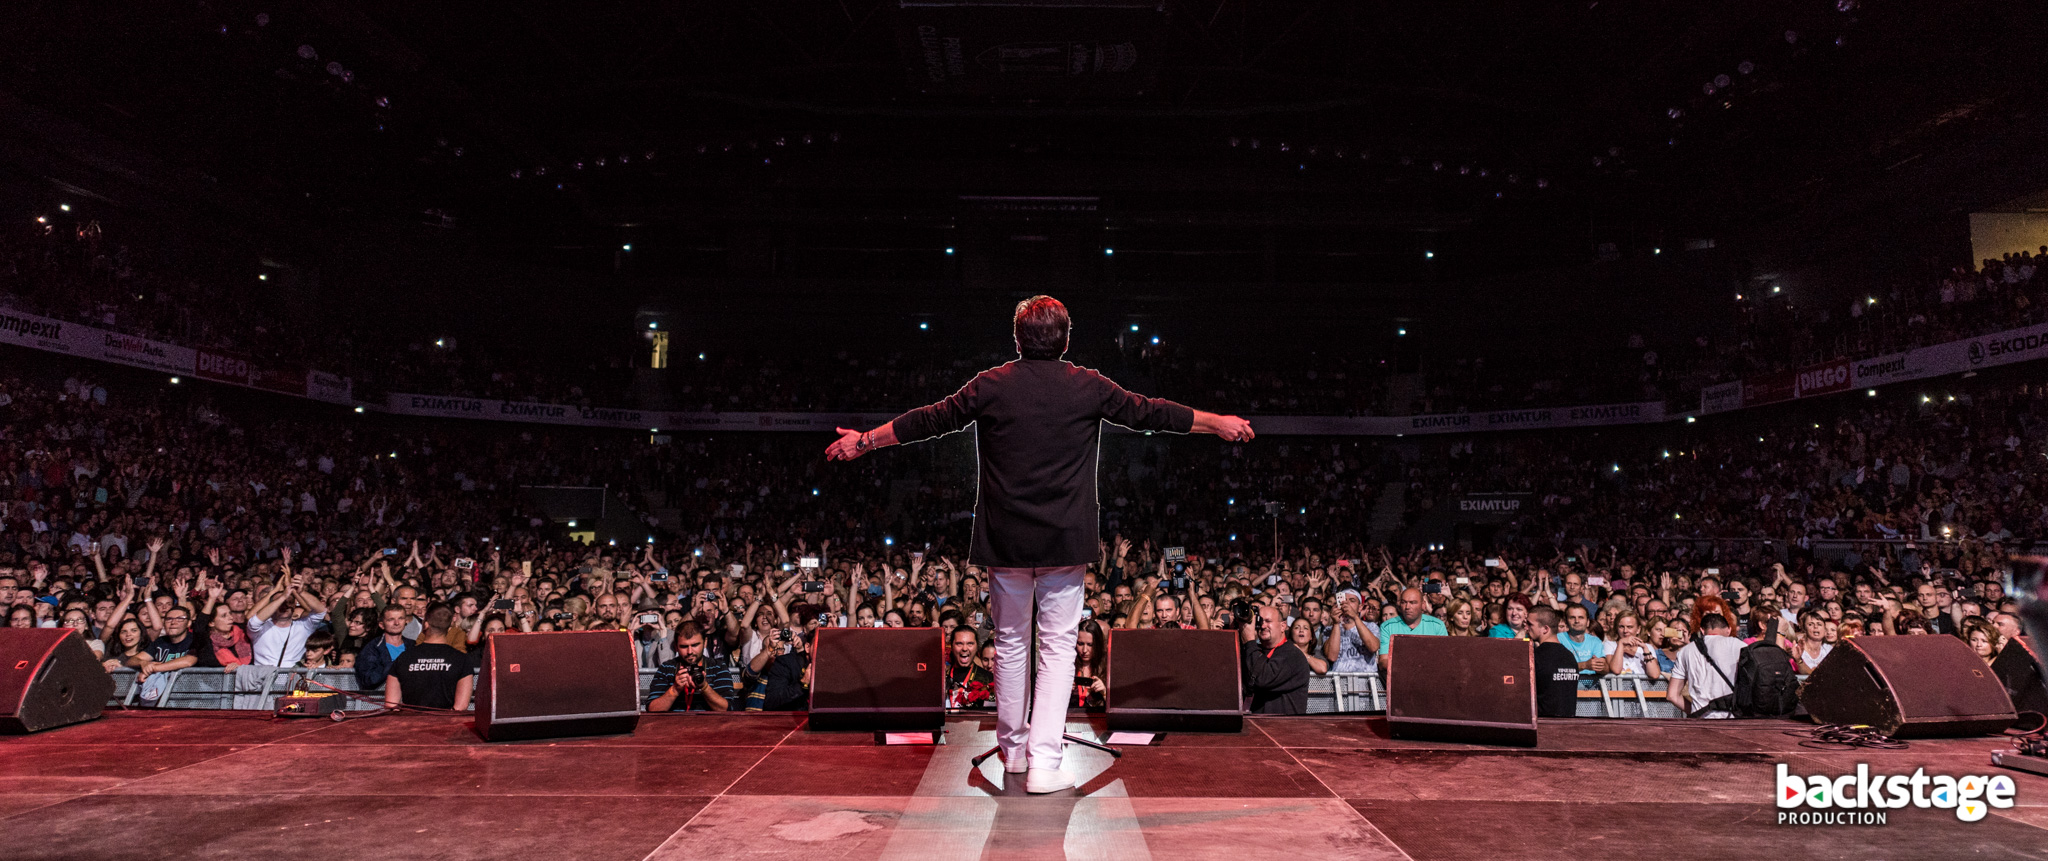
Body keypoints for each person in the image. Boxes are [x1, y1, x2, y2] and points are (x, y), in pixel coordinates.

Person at [825, 295, 1253, 793]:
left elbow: (928, 420)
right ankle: (1044, 762)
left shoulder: (991, 384)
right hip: (1064, 539)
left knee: (1009, 645)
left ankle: (1012, 754)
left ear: (1017, 340)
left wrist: (865, 441)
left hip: (1005, 538)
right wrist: (1214, 422)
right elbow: (1150, 413)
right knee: (1057, 649)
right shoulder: (1088, 385)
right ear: (1067, 340)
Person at [384, 603, 474, 711]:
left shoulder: (404, 657)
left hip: (410, 720)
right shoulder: (462, 659)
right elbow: (460, 706)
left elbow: (391, 704)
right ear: (449, 627)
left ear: (426, 625)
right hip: (446, 720)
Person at [1667, 598, 1745, 719]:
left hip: (1701, 720)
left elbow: (1672, 695)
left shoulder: (1686, 651)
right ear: (1729, 630)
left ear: (1702, 630)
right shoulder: (1740, 646)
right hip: (1733, 718)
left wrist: (1696, 711)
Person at [646, 622, 734, 712]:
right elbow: (652, 709)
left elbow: (726, 709)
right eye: (684, 646)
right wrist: (675, 689)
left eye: (695, 645)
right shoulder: (666, 668)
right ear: (676, 646)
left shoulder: (718, 667)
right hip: (675, 721)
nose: (690, 651)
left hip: (709, 721)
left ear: (705, 642)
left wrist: (704, 687)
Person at [1242, 604, 1310, 715]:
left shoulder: (1292, 655)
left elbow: (1262, 679)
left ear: (1283, 626)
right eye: (1259, 621)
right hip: (1255, 722)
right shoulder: (1254, 651)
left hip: (1281, 724)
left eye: (1268, 621)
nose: (1263, 626)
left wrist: (1249, 641)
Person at [1376, 587, 1447, 673]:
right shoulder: (1388, 626)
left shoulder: (1437, 626)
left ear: (1423, 605)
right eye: (1404, 602)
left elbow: (1444, 658)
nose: (1407, 607)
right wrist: (1410, 669)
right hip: (1399, 676)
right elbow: (1383, 661)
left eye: (1412, 602)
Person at [1529, 606, 1579, 718]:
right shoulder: (1569, 656)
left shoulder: (1536, 656)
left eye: (1530, 624)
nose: (1526, 628)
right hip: (1568, 722)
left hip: (1542, 722)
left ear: (1545, 629)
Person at [354, 605, 414, 691]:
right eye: (391, 619)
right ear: (381, 625)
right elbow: (368, 680)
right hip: (380, 697)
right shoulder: (372, 648)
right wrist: (395, 665)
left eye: (400, 618)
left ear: (406, 621)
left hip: (410, 696)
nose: (397, 623)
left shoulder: (413, 646)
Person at [944, 626, 994, 709]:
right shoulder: (942, 678)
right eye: (959, 643)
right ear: (951, 646)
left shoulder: (989, 679)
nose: (964, 648)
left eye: (970, 644)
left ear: (977, 647)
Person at [1071, 619, 1108, 710]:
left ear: (1098, 645)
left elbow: (1118, 707)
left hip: (1097, 717)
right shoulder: (1069, 665)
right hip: (1071, 716)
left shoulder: (1107, 667)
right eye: (1080, 644)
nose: (1084, 650)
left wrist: (1104, 692)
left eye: (1090, 645)